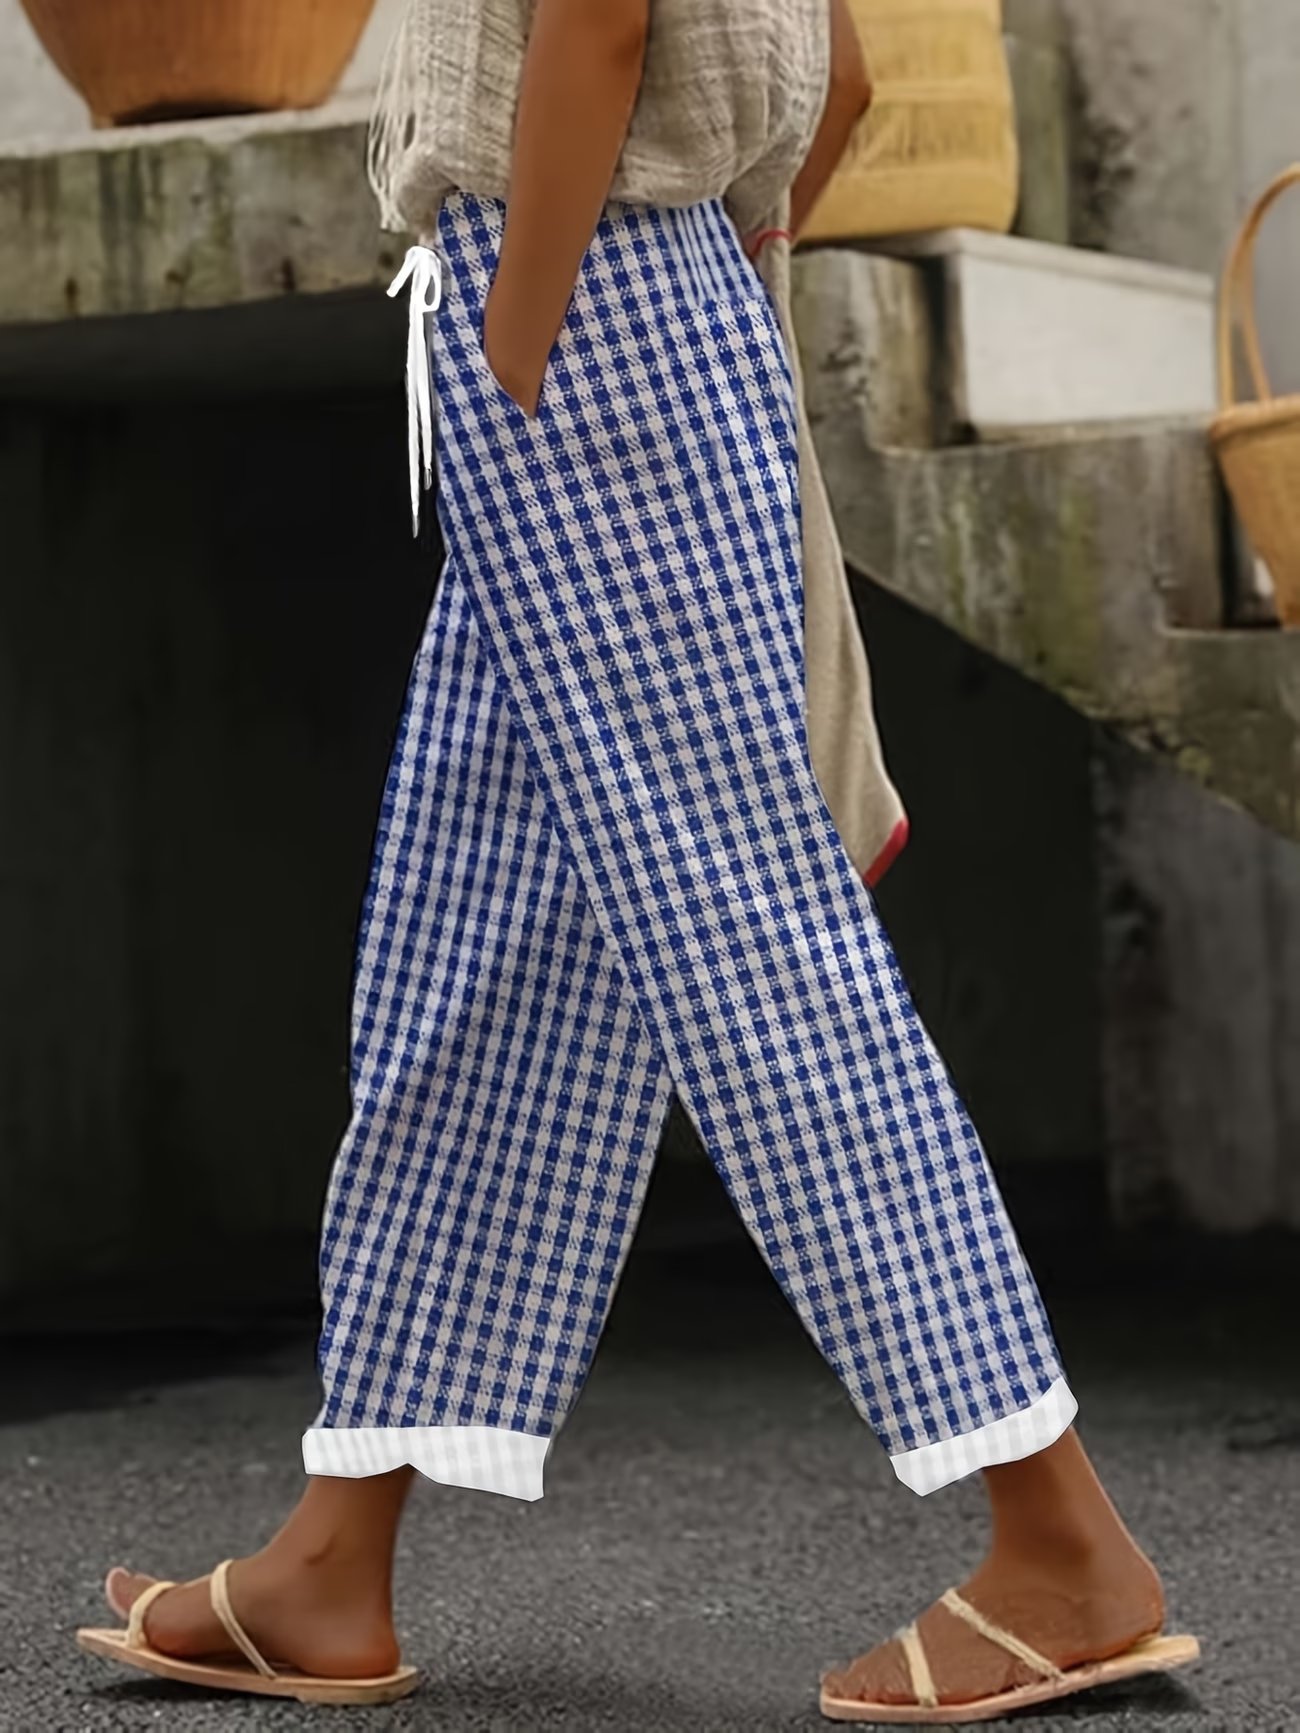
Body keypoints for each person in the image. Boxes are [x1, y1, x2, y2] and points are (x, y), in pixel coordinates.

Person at [76, 0, 1199, 1719]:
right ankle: (330, 1557)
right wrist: (667, 296)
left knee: (754, 952)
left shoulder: (550, 324)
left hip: (577, 331)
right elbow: (848, 74)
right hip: (651, 312)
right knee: (478, 949)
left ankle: (1062, 1542)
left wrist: (521, 342)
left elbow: (598, 19)